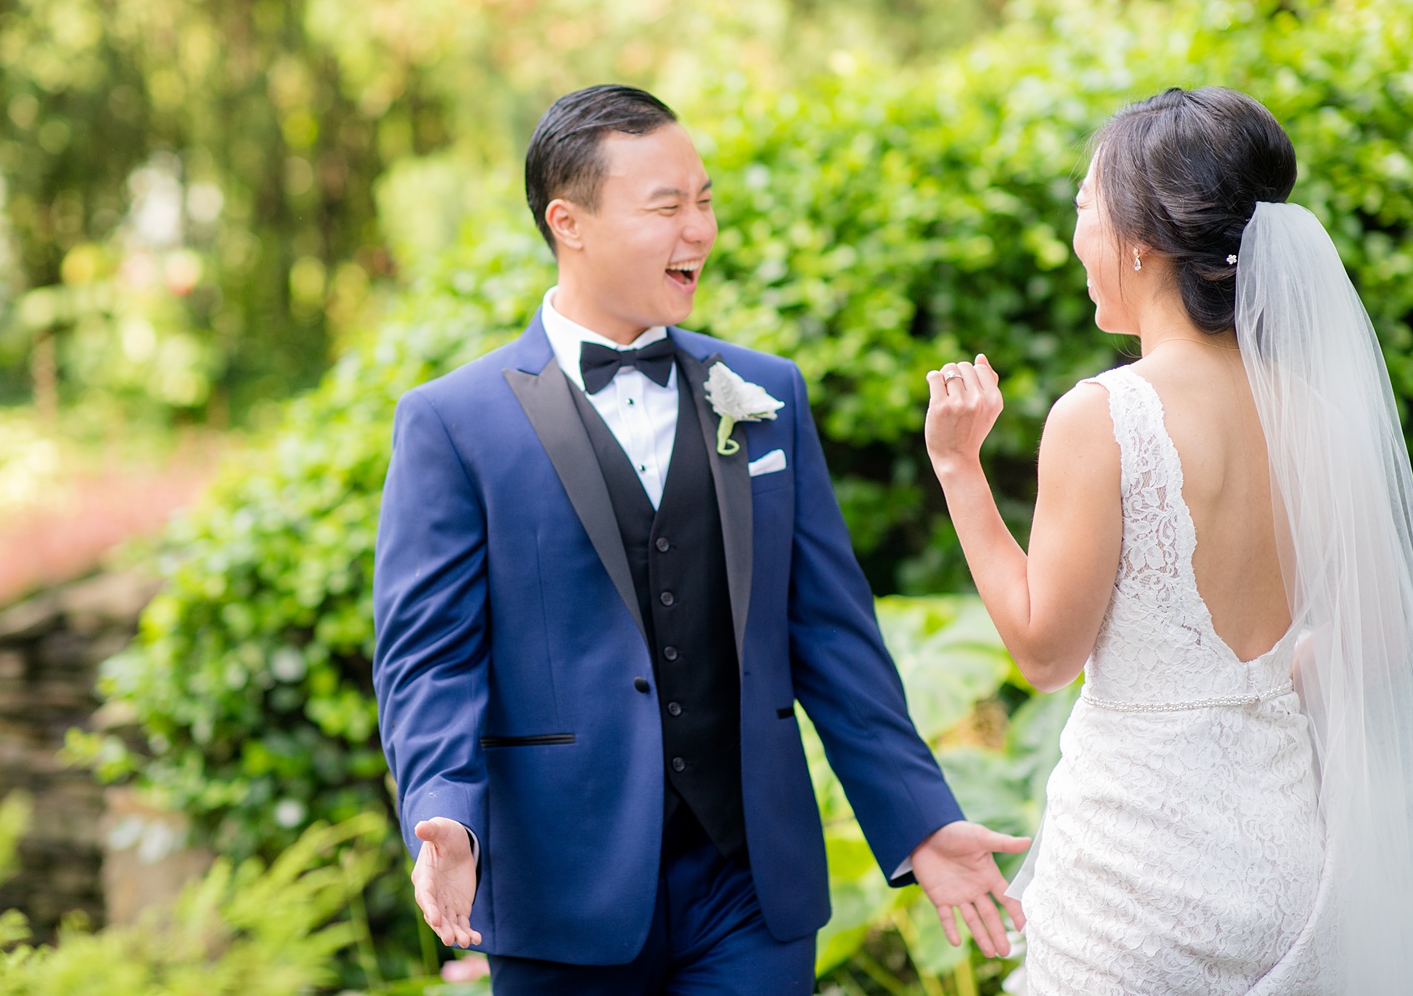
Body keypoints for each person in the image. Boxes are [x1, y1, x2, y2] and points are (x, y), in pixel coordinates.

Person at [372, 84, 1029, 994]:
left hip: (749, 882)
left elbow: (832, 634)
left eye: (706, 200)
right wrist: (443, 810)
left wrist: (917, 818)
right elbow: (429, 657)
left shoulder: (766, 392)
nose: (700, 230)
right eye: (667, 206)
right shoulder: (451, 423)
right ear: (571, 223)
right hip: (565, 883)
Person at [923, 86, 1413, 994]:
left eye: (1084, 209)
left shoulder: (1101, 415)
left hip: (1139, 873)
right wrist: (1258, 685)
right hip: (1290, 855)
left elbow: (1045, 653)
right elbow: (1378, 639)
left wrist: (959, 470)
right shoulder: (1319, 414)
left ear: (1138, 238)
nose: (1077, 238)